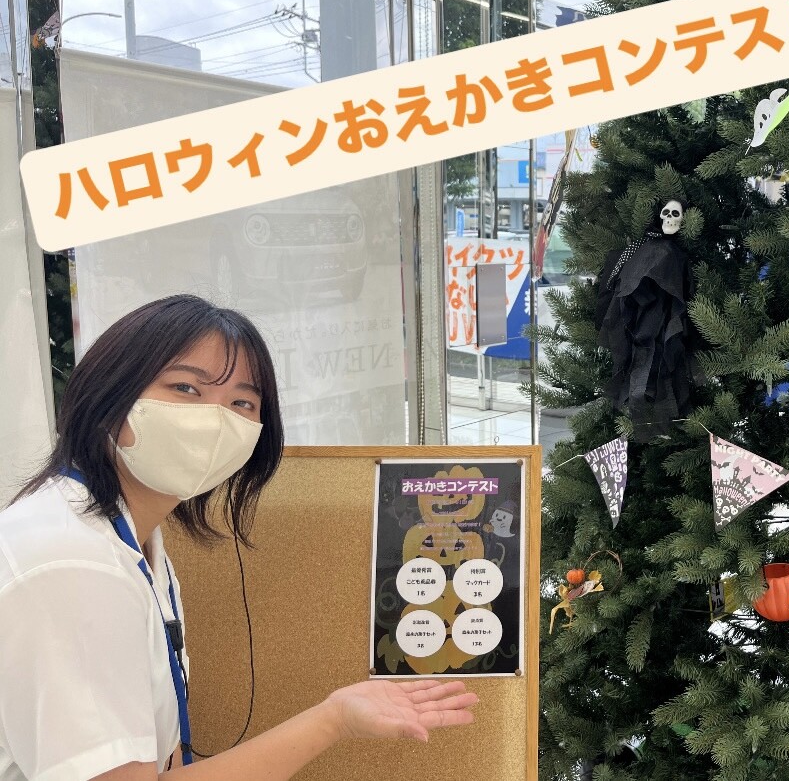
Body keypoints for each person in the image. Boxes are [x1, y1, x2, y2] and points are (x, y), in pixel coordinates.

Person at [0, 295, 476, 781]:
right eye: (186, 388)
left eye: (241, 403)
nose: (216, 418)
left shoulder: (132, 542)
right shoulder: (70, 564)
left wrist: (337, 717)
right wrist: (331, 721)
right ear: (110, 395)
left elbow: (158, 762)